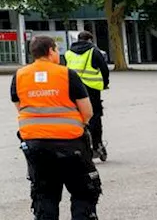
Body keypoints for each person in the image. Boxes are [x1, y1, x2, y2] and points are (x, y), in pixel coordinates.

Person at [12, 35, 101, 220]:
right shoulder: (67, 74)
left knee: (45, 195)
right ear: (51, 50)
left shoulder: (19, 76)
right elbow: (87, 111)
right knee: (84, 192)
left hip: (36, 146)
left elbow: (20, 107)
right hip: (71, 144)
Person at [64, 31, 110, 162]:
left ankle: (79, 145)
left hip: (73, 89)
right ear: (90, 39)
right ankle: (97, 145)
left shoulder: (69, 53)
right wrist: (105, 83)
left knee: (77, 116)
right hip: (92, 88)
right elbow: (104, 69)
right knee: (95, 116)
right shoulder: (94, 51)